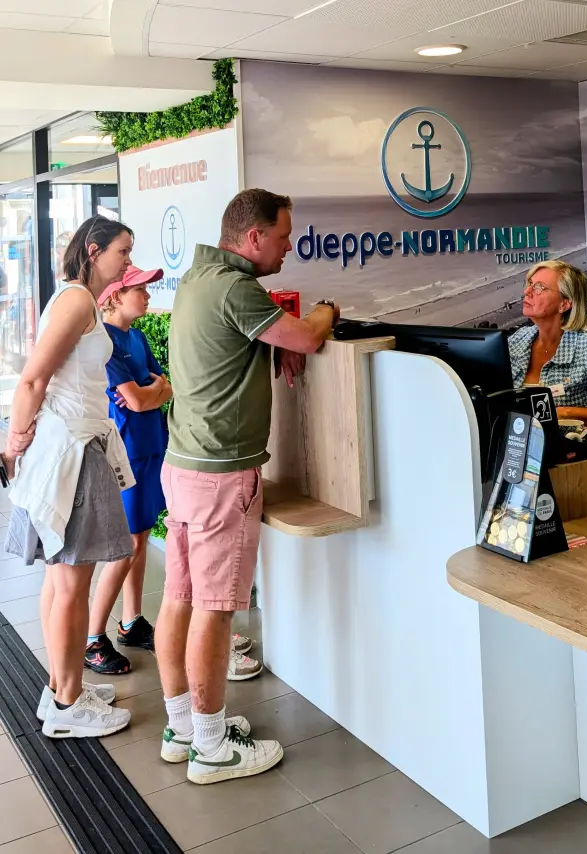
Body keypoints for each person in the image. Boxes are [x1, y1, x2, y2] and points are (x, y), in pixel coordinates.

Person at [155, 188, 339, 784]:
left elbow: (241, 346)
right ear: (254, 236)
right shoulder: (237, 289)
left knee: (180, 597)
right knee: (213, 610)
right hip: (221, 475)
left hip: (184, 464)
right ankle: (211, 748)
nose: (289, 247)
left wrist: (270, 346)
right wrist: (325, 312)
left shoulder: (197, 279)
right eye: (283, 237)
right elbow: (308, 337)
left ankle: (184, 728)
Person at [3, 215, 136, 739]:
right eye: (122, 251)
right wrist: (12, 445)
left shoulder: (80, 300)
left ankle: (61, 685)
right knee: (71, 584)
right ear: (94, 250)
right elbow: (33, 378)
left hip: (74, 448)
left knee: (61, 581)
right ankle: (67, 703)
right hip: (71, 453)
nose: (128, 261)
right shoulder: (78, 299)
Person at [83, 266, 172, 676]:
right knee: (126, 546)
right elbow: (137, 401)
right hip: (128, 454)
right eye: (140, 288)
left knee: (139, 538)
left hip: (151, 447)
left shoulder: (136, 337)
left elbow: (165, 386)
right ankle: (92, 639)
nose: (148, 294)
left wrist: (153, 391)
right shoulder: (105, 341)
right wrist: (152, 392)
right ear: (116, 296)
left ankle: (131, 621)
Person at [509, 259, 587, 431]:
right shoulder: (516, 340)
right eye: (529, 284)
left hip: (566, 443)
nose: (527, 292)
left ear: (564, 304)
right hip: (516, 442)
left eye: (539, 287)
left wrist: (565, 413)